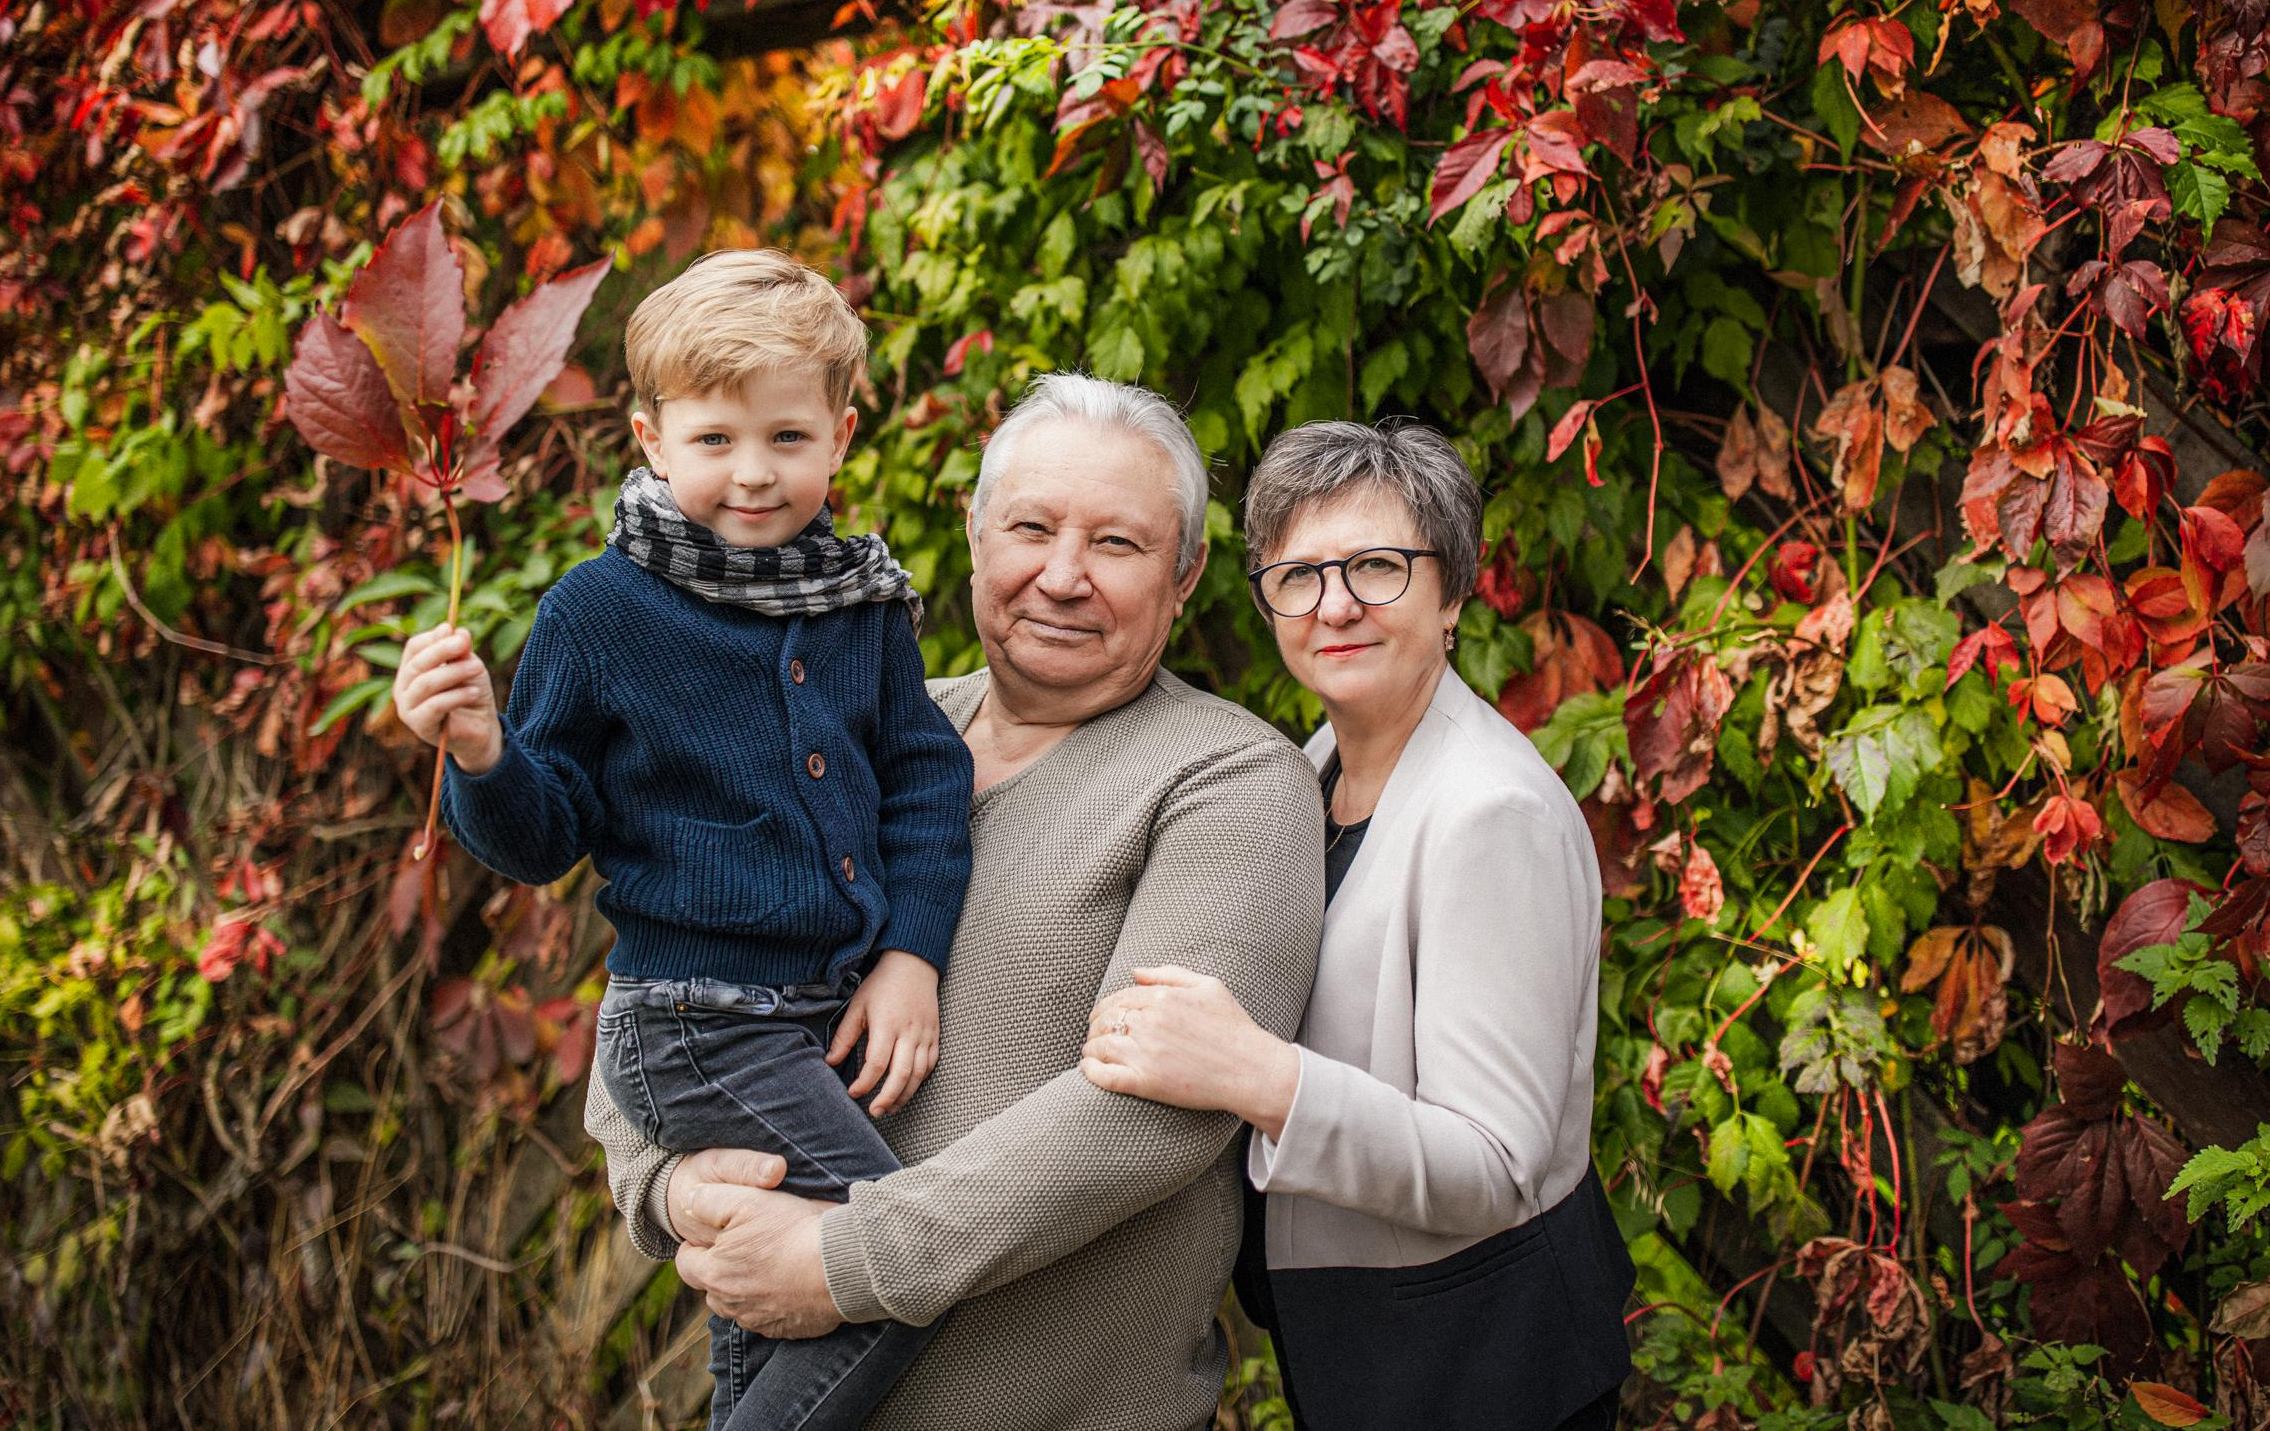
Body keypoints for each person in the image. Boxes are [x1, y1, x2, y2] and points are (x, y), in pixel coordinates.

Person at [583, 373, 1327, 1431]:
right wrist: (667, 1187)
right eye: (1030, 526)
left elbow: (1155, 1118)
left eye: (1116, 544)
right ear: (975, 537)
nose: (1061, 576)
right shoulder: (852, 734)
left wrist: (842, 1260)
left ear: (1187, 573)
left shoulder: (1227, 780)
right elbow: (660, 993)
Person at [389, 249, 977, 1431]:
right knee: (897, 1267)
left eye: (787, 439)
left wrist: (912, 951)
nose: (753, 475)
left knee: (770, 1292)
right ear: (653, 439)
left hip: (815, 1014)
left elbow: (924, 774)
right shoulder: (599, 611)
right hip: (697, 1022)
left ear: (843, 435)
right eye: (715, 441)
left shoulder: (857, 603)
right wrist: (482, 751)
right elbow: (544, 830)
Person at [1077, 418, 1636, 1430]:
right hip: (1368, 1336)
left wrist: (1255, 1072)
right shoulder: (1318, 766)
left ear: (1453, 589)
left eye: (1377, 566)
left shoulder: (1487, 814)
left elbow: (1497, 1165)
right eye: (1298, 574)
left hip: (1480, 1359)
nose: (1334, 604)